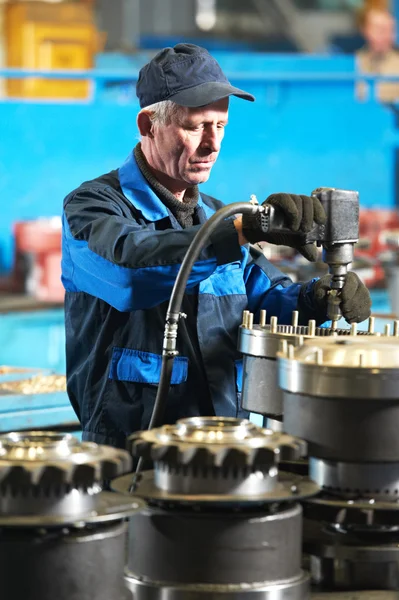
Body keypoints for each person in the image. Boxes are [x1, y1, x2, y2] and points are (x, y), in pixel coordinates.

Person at [61, 43, 371, 448]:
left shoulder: (216, 215)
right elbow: (131, 273)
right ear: (147, 124)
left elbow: (262, 296)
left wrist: (317, 298)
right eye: (195, 126)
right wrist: (244, 229)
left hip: (224, 445)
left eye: (220, 126)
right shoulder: (91, 207)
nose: (212, 144)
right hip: (131, 451)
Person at [356, 5, 399, 102]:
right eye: (380, 30)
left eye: (390, 30)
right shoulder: (353, 63)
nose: (386, 36)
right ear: (365, 30)